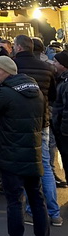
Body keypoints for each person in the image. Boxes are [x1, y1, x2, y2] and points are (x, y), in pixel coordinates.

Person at [0, 55, 50, 236]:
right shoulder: (36, 92)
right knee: (37, 201)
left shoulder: (5, 93)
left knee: (14, 202)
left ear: (7, 72)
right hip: (33, 152)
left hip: (11, 155)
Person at [12, 33, 62, 225]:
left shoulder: (15, 67)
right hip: (43, 120)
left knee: (27, 166)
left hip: (21, 122)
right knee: (46, 165)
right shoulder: (48, 68)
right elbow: (53, 96)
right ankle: (54, 212)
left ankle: (32, 210)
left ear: (18, 47)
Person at [51, 50, 68, 181]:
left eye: (56, 61)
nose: (53, 63)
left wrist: (63, 130)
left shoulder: (65, 83)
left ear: (63, 65)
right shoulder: (61, 80)